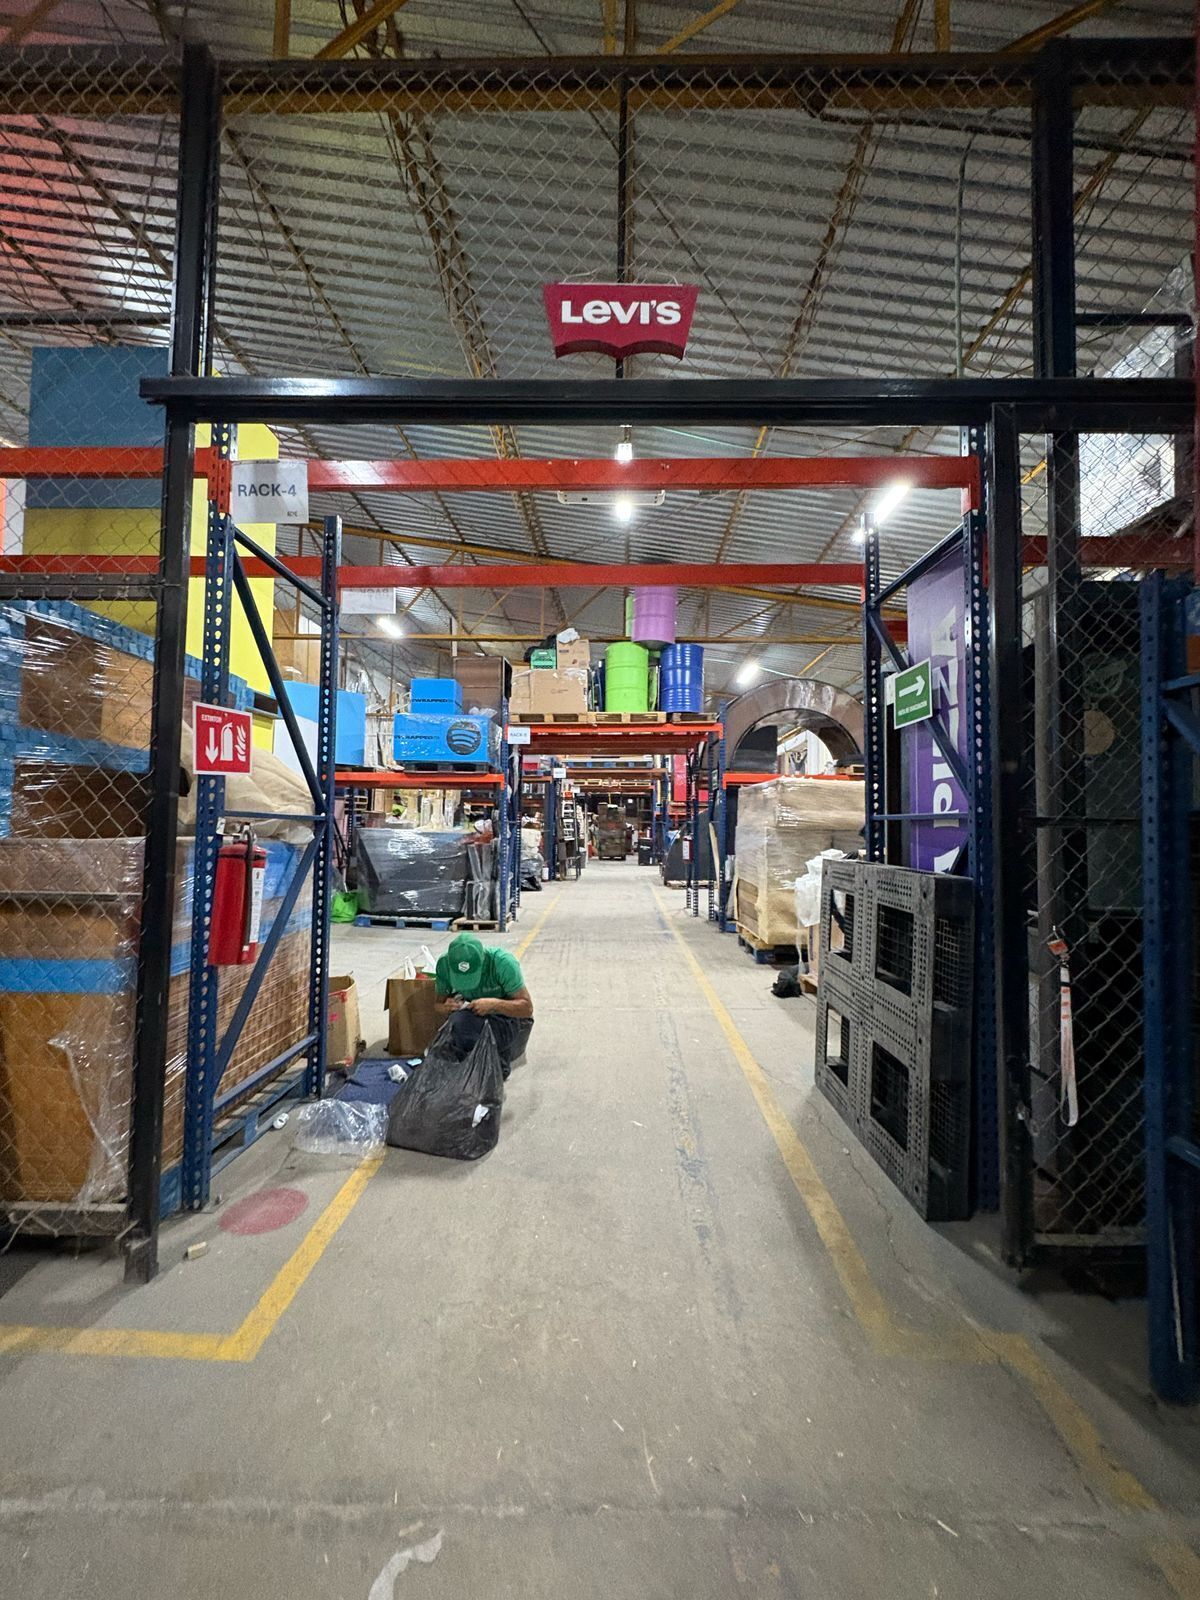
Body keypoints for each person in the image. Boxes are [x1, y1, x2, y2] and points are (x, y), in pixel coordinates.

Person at [433, 931, 534, 1079]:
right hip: (472, 1013)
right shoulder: (444, 965)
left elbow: (527, 1008)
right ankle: (484, 1060)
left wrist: (494, 1005)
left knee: (476, 1042)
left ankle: (492, 1061)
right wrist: (445, 1007)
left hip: (505, 1016)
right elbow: (437, 1005)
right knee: (456, 1025)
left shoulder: (503, 963)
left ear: (483, 960)